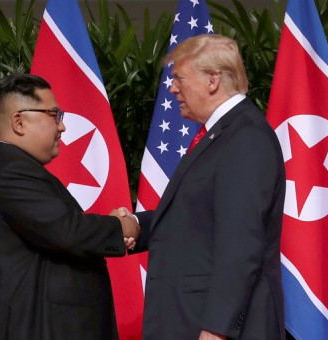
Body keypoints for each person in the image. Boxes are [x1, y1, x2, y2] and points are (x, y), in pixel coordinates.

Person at [122, 34, 286, 339]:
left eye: (179, 78)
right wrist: (133, 224)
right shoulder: (222, 135)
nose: (172, 89)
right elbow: (193, 217)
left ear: (213, 80)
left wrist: (216, 329)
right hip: (189, 319)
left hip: (213, 328)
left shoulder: (245, 138)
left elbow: (241, 243)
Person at [0, 73, 139, 339]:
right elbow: (69, 232)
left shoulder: (13, 167)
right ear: (19, 121)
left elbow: (60, 231)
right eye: (54, 115)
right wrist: (123, 226)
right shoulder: (11, 171)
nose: (61, 127)